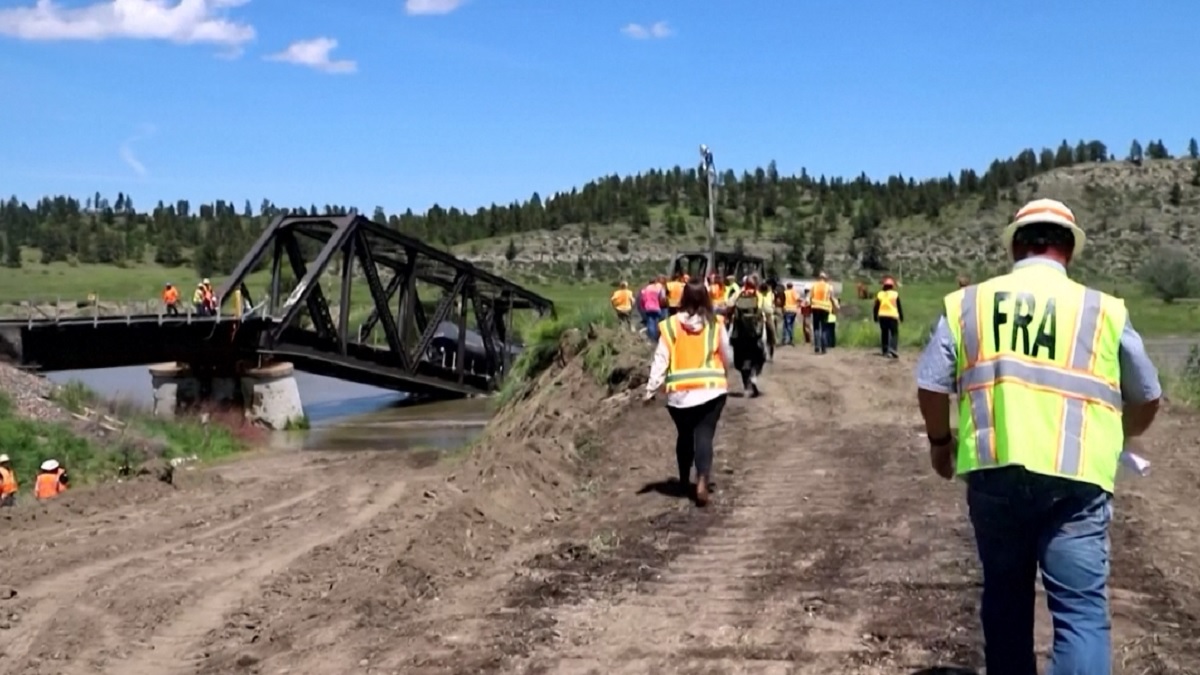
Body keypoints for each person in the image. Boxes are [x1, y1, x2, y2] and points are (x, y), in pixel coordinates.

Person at [915, 198, 1162, 674]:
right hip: (1078, 480)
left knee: (1006, 599)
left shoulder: (970, 302)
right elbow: (1148, 394)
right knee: (1080, 612)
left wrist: (940, 444)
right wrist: (1115, 440)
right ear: (1068, 251)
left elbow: (930, 381)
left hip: (993, 469)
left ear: (1015, 248)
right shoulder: (1103, 309)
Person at [643, 279, 733, 507]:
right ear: (706, 298)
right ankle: (702, 479)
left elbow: (660, 359)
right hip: (711, 391)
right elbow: (726, 354)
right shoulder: (715, 324)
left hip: (679, 397)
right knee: (704, 436)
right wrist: (724, 372)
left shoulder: (671, 325)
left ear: (682, 298)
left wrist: (651, 389)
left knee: (685, 435)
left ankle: (684, 479)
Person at [728, 277, 766, 397]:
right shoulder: (758, 295)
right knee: (760, 356)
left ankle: (746, 387)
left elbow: (729, 305)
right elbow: (765, 310)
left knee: (741, 359)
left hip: (739, 333)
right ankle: (754, 376)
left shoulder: (738, 294)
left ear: (745, 284)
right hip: (755, 334)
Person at [873, 277, 903, 358]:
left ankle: (885, 350)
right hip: (892, 316)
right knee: (894, 333)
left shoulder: (880, 294)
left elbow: (876, 307)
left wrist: (875, 317)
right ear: (892, 286)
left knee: (884, 333)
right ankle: (893, 349)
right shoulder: (895, 294)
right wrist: (901, 317)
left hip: (882, 316)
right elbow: (899, 306)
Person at [809, 273, 833, 354]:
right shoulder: (829, 286)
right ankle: (824, 348)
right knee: (824, 328)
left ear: (819, 278)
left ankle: (817, 347)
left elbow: (810, 297)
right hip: (825, 308)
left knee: (816, 328)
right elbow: (831, 297)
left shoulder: (814, 285)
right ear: (825, 278)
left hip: (815, 307)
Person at [639, 277, 666, 341]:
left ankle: (651, 339)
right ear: (655, 282)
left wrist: (643, 307)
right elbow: (663, 297)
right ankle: (657, 338)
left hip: (648, 308)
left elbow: (642, 299)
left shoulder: (645, 289)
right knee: (657, 323)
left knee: (650, 323)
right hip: (657, 307)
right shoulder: (659, 287)